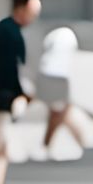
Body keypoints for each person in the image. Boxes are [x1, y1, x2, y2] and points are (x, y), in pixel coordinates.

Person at [0, 0, 40, 184]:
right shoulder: (11, 33)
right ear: (21, 9)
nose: (33, 17)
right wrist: (22, 94)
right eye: (32, 12)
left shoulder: (5, 29)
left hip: (3, 95)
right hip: (2, 97)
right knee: (1, 149)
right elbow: (11, 70)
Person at [35, 26, 89, 159]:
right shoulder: (63, 37)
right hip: (58, 79)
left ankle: (46, 146)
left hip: (57, 78)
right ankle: (83, 145)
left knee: (60, 115)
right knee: (61, 115)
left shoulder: (59, 37)